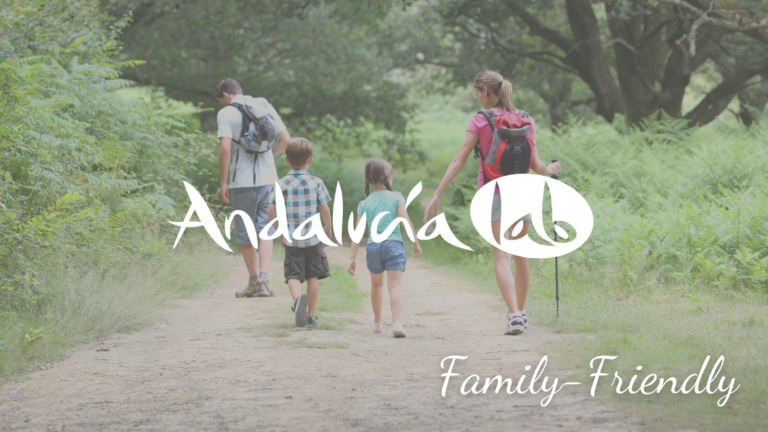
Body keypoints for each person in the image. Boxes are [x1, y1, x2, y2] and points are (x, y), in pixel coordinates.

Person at [423, 71, 561, 335]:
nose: (476, 99)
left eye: (476, 93)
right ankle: (520, 313)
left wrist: (437, 193)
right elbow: (536, 164)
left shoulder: (480, 120)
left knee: (501, 256)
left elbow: (459, 160)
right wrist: (550, 169)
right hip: (522, 193)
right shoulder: (527, 119)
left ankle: (514, 316)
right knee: (522, 256)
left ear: (485, 91)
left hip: (494, 193)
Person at [215, 78, 290, 298]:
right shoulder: (264, 106)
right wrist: (268, 156)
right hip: (268, 180)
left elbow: (225, 148)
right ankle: (264, 280)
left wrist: (223, 181)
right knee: (266, 230)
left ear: (225, 96)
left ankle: (252, 283)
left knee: (246, 235)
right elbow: (285, 139)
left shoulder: (226, 113)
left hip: (242, 184)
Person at [347, 158, 422, 338]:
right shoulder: (396, 197)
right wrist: (415, 241)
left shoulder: (364, 203)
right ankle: (396, 322)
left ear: (368, 181)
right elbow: (405, 220)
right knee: (394, 286)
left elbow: (357, 232)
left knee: (376, 284)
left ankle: (378, 322)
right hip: (394, 245)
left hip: (373, 247)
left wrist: (352, 257)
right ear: (388, 177)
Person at [267, 138, 332, 327]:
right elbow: (325, 209)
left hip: (291, 239)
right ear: (309, 160)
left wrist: (280, 231)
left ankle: (298, 302)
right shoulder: (316, 182)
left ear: (286, 160)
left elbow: (271, 211)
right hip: (312, 239)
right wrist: (328, 227)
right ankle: (311, 316)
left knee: (293, 276)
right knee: (313, 277)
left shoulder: (280, 184)